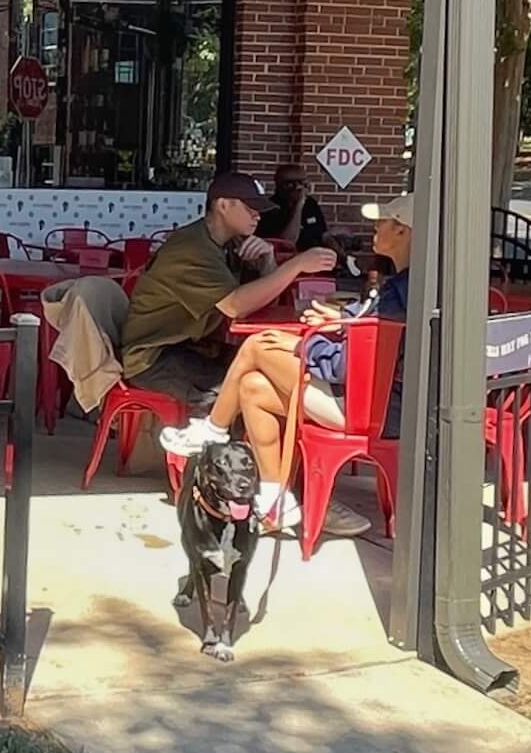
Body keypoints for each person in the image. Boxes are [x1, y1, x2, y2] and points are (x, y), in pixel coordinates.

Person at [159, 194, 417, 536]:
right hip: (377, 400)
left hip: (373, 409)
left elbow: (346, 365)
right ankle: (276, 500)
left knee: (256, 345)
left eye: (382, 221)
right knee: (252, 387)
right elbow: (370, 334)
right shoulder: (409, 286)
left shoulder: (400, 294)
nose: (374, 227)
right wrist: (343, 320)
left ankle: (213, 430)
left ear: (402, 232)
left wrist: (303, 344)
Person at [117, 173, 337, 412]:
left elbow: (259, 299)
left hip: (191, 345)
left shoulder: (228, 242)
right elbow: (235, 305)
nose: (257, 215)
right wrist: (295, 266)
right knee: (245, 391)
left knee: (267, 369)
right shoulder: (192, 249)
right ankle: (214, 446)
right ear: (222, 205)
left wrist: (268, 262)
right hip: (153, 358)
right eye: (250, 207)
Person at [256, 163, 329, 251]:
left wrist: (342, 255)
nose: (301, 188)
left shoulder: (310, 204)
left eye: (304, 183)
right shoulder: (269, 208)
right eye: (292, 184)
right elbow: (286, 243)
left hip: (314, 255)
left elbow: (323, 235)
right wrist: (298, 205)